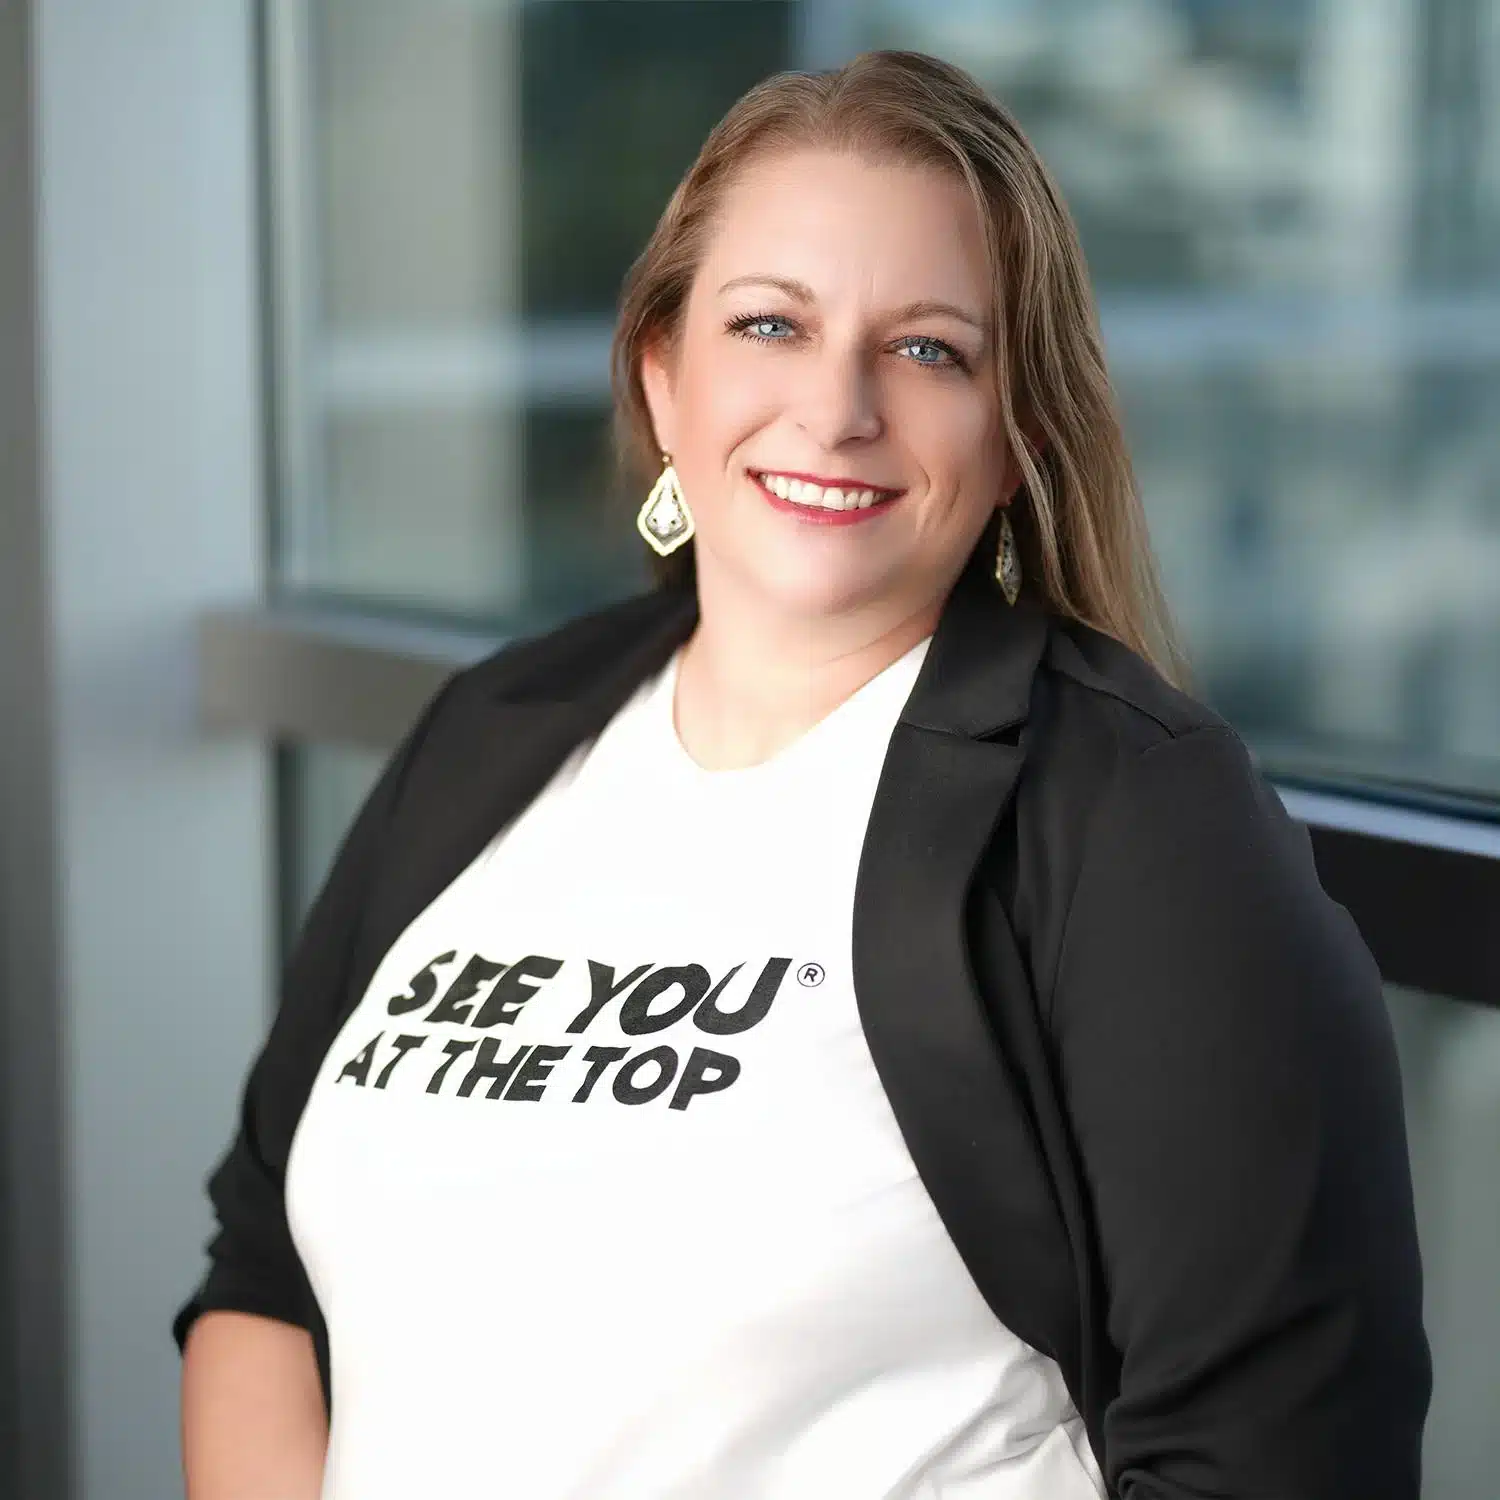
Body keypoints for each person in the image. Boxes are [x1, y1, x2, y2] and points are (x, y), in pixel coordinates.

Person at [175, 48, 1430, 1500]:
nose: (837, 409)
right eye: (771, 324)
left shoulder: (1137, 823)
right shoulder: (498, 730)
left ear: (1017, 435)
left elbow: (1280, 1463)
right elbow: (260, 1277)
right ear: (664, 372)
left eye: (929, 350)